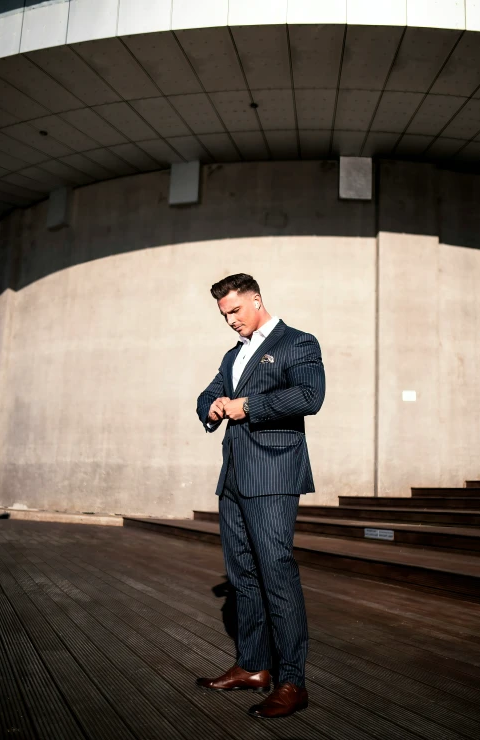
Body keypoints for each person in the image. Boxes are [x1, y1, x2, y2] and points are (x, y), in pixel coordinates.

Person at [195, 273, 325, 719]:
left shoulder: (298, 342)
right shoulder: (234, 354)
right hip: (233, 478)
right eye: (223, 314)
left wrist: (247, 405)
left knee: (276, 574)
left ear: (257, 300)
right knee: (242, 575)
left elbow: (310, 395)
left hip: (272, 474)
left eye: (235, 310)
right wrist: (211, 407)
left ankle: (292, 680)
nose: (230, 321)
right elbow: (211, 392)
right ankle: (253, 667)